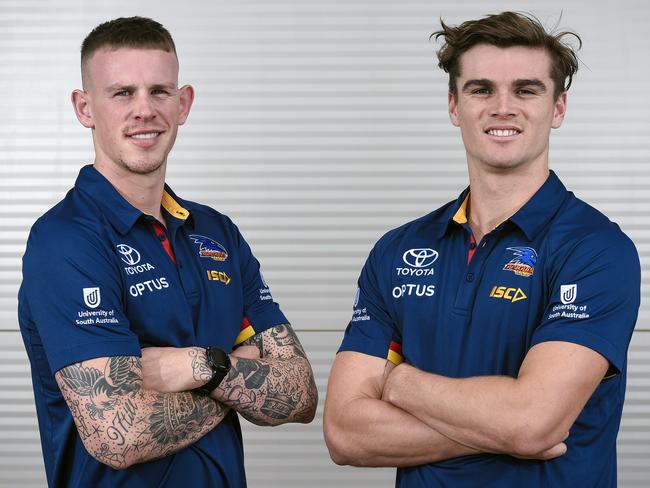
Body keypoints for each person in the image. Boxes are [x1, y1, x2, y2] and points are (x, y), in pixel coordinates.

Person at [323, 11, 640, 487]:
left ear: (558, 108)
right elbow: (346, 433)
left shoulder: (596, 250)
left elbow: (532, 423)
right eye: (481, 89)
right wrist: (506, 427)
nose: (503, 107)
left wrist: (400, 383)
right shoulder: (397, 250)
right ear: (454, 105)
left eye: (527, 90)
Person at [18, 16, 317, 488]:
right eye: (122, 93)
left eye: (159, 91)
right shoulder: (65, 240)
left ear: (184, 103)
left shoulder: (218, 233)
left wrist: (198, 366)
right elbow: (119, 434)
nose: (144, 110)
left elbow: (299, 395)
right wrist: (235, 369)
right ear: (84, 107)